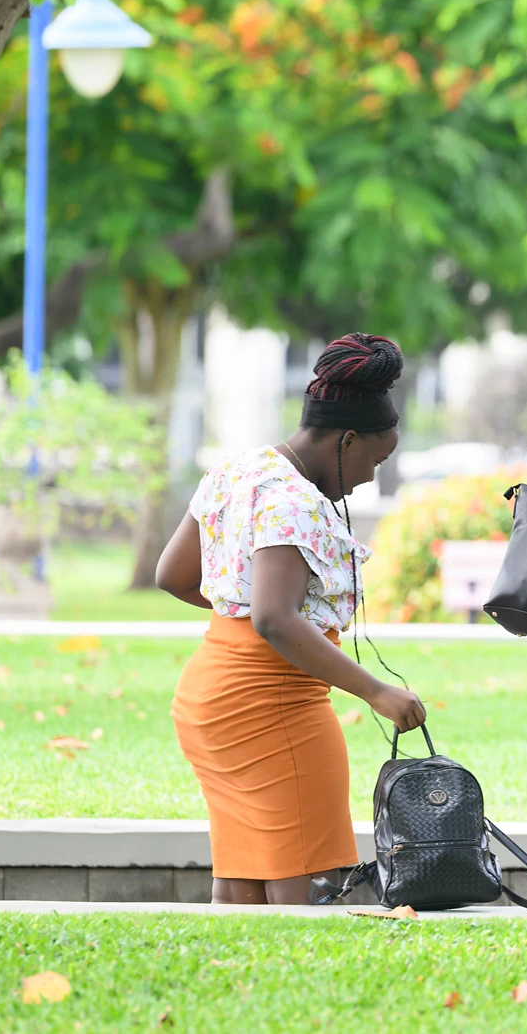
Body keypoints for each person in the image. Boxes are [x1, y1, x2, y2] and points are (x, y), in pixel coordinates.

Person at [157, 333, 427, 906]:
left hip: (210, 697)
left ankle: (233, 986)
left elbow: (174, 576)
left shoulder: (237, 472)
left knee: (242, 875)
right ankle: (290, 989)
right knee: (300, 886)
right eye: (373, 460)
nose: (369, 478)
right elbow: (276, 620)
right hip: (273, 705)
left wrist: (251, 615)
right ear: (346, 439)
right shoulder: (294, 499)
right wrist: (378, 692)